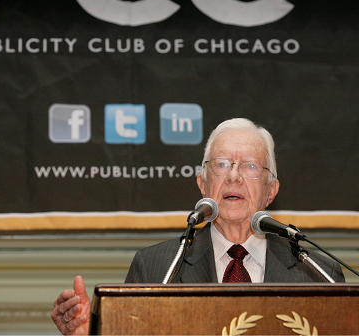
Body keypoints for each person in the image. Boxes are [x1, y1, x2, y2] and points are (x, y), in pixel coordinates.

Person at [51, 118, 345, 335]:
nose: (233, 177)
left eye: (250, 166)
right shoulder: (157, 267)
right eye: (221, 164)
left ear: (271, 191)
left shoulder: (318, 273)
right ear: (203, 184)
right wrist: (92, 334)